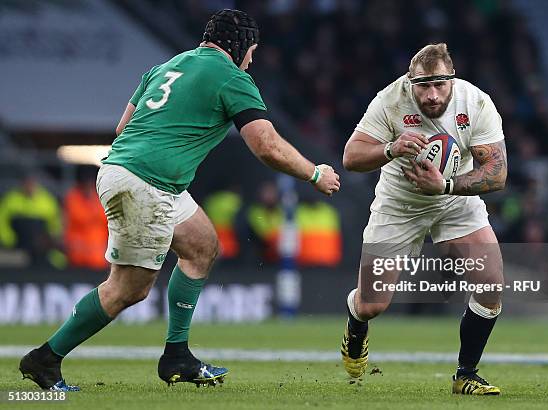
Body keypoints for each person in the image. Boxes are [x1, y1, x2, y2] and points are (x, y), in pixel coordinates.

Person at [20, 9, 340, 392]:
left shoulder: (165, 66)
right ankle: (46, 357)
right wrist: (315, 173)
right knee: (129, 288)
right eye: (252, 51)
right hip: (146, 183)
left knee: (202, 245)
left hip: (137, 174)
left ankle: (177, 356)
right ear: (240, 47)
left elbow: (123, 128)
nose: (251, 60)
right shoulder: (231, 77)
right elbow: (266, 145)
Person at [341, 43, 507, 395]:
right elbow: (351, 157)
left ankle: (466, 374)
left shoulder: (475, 103)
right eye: (423, 86)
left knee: (490, 284)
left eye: (439, 85)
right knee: (372, 305)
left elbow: (497, 172)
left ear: (452, 79)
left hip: (452, 199)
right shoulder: (389, 100)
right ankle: (356, 325)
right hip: (399, 205)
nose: (431, 95)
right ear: (410, 81)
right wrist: (390, 148)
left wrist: (444, 184)